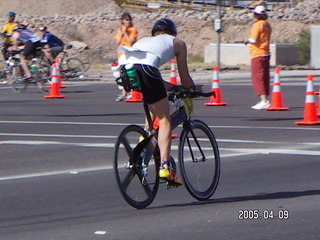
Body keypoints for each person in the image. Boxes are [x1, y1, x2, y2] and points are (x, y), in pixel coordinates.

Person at [118, 18, 196, 184]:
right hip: (146, 70)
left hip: (127, 69)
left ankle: (141, 150)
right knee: (165, 120)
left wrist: (173, 87)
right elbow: (185, 78)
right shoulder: (178, 42)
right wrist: (193, 89)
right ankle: (165, 168)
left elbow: (152, 78)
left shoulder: (145, 41)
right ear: (173, 32)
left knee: (153, 113)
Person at [245, 5, 272, 110]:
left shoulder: (258, 25)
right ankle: (265, 99)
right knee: (264, 77)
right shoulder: (267, 24)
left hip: (258, 53)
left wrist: (247, 41)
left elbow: (254, 39)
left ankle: (264, 100)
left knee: (258, 78)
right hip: (265, 52)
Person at [9, 24, 46, 92]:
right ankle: (39, 83)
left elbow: (15, 46)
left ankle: (28, 74)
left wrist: (12, 49)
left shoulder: (16, 33)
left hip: (31, 42)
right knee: (32, 61)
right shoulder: (27, 32)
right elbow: (26, 46)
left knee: (22, 58)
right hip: (37, 42)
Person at [114, 12, 138, 102]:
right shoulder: (120, 30)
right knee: (123, 74)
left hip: (130, 53)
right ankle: (124, 94)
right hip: (121, 54)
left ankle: (133, 92)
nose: (128, 22)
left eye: (129, 20)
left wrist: (126, 34)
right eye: (126, 20)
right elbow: (117, 43)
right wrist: (121, 34)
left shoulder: (133, 30)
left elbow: (131, 42)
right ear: (122, 21)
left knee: (130, 73)